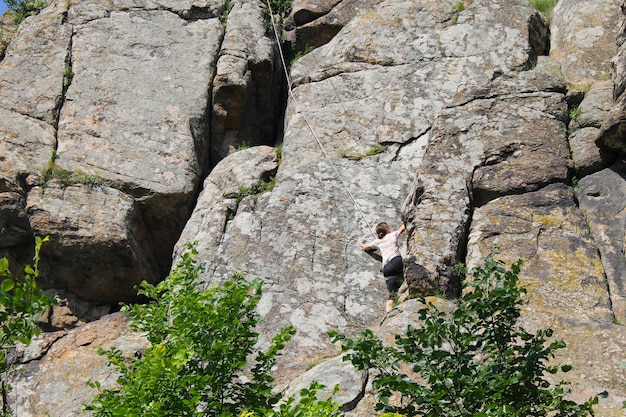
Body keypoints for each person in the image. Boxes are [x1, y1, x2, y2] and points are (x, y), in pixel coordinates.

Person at [363, 221, 406, 312]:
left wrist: (374, 246)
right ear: (387, 229)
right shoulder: (392, 235)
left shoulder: (377, 241)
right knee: (407, 267)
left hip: (386, 269)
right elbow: (403, 227)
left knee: (392, 294)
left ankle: (388, 314)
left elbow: (365, 247)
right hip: (396, 262)